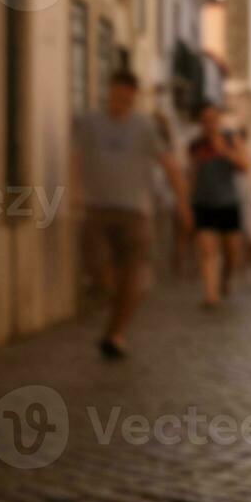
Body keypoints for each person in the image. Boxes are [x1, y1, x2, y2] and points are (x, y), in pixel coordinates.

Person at [73, 70, 192, 359]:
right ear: (110, 90)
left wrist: (183, 205)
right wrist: (73, 192)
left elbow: (169, 164)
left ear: (134, 95)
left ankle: (114, 334)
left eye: (129, 92)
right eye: (119, 90)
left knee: (130, 278)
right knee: (96, 268)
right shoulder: (90, 123)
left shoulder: (144, 127)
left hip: (135, 213)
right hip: (97, 209)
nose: (123, 97)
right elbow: (75, 158)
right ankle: (111, 297)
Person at [188, 103, 249, 307]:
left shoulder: (231, 139)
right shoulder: (196, 145)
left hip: (228, 203)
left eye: (212, 120)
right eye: (204, 121)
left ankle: (225, 278)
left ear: (218, 120)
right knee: (207, 251)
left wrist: (224, 152)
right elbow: (192, 174)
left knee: (231, 253)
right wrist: (187, 202)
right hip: (203, 203)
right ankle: (210, 294)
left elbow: (245, 166)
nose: (208, 124)